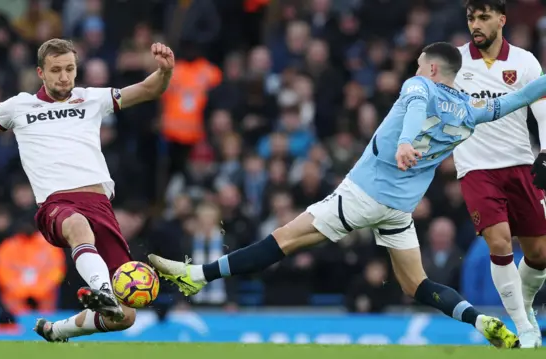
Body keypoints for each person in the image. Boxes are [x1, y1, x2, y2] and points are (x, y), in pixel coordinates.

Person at [149, 41, 546, 349]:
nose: (415, 69)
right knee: (415, 284)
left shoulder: (419, 84)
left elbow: (415, 106)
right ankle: (480, 321)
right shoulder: (470, 112)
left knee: (283, 239)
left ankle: (195, 276)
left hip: (363, 194)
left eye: (420, 63)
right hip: (399, 211)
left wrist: (406, 142)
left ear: (433, 67)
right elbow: (519, 99)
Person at [0, 38, 175, 342]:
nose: (64, 76)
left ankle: (57, 330)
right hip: (57, 205)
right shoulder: (18, 107)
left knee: (125, 317)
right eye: (56, 69)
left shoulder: (91, 98)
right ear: (40, 72)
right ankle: (102, 291)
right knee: (77, 225)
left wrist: (165, 71)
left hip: (100, 206)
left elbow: (149, 89)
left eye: (70, 69)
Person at [454, 0, 546, 347]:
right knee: (499, 241)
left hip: (520, 162)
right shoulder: (454, 62)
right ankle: (524, 327)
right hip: (476, 167)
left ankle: (524, 309)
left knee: (539, 254)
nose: (475, 24)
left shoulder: (524, 61)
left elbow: (542, 108)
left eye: (483, 17)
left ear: (502, 20)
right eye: (470, 18)